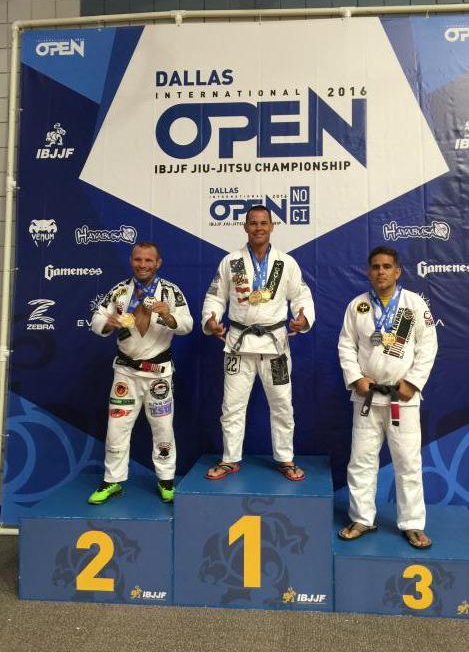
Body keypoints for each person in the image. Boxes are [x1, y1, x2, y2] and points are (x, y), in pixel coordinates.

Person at [202, 205, 315, 481]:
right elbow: (215, 296)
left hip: (275, 345)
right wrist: (211, 319)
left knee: (282, 404)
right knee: (232, 405)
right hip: (238, 344)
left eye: (264, 223)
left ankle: (285, 458)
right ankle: (229, 459)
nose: (258, 228)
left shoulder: (286, 263)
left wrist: (303, 317)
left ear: (272, 226)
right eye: (253, 223)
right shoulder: (231, 262)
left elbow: (301, 296)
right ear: (245, 227)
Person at [337, 246, 437, 548]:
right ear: (368, 272)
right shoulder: (357, 305)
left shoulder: (414, 304)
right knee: (361, 461)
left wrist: (413, 383)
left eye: (387, 266)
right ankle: (362, 518)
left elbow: (428, 346)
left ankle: (413, 523)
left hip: (402, 398)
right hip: (367, 398)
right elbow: (346, 345)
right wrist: (356, 378)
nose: (381, 271)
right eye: (376, 267)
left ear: (397, 271)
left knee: (408, 462)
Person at [88, 241, 193, 504]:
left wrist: (169, 316)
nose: (143, 265)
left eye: (148, 260)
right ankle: (112, 480)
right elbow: (96, 320)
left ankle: (166, 479)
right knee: (117, 429)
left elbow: (188, 324)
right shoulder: (119, 291)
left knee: (163, 429)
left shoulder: (170, 292)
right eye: (138, 260)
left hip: (158, 374)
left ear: (158, 263)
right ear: (131, 261)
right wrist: (108, 322)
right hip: (126, 373)